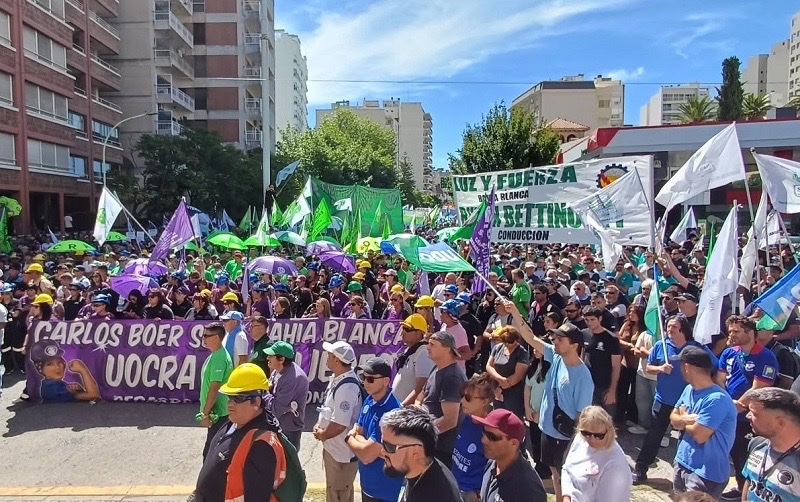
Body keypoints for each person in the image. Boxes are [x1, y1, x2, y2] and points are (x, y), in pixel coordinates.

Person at [505, 299, 593, 502]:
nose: (555, 342)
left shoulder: (583, 377)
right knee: (555, 473)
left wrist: (574, 445)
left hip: (564, 436)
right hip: (547, 429)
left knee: (567, 477)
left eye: (560, 339)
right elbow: (529, 337)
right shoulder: (555, 355)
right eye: (555, 338)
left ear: (574, 345)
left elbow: (582, 417)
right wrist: (516, 313)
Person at [193, 363, 288, 502]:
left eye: (237, 399)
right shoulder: (234, 421)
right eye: (230, 397)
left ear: (256, 401)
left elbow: (257, 497)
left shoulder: (262, 445)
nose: (230, 403)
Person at [632, 315, 706, 484]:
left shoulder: (695, 348)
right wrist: (660, 368)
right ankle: (641, 468)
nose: (668, 329)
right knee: (654, 436)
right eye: (667, 326)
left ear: (683, 329)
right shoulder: (661, 346)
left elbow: (712, 365)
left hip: (688, 404)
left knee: (688, 439)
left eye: (673, 326)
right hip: (663, 400)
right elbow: (649, 367)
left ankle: (686, 474)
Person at [716, 315, 779, 501]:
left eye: (736, 331)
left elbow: (759, 388)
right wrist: (728, 403)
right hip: (729, 414)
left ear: (750, 332)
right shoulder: (729, 353)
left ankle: (747, 492)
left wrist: (739, 406)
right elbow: (719, 379)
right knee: (732, 454)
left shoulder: (766, 357)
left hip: (749, 418)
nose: (731, 335)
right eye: (730, 331)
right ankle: (739, 486)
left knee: (745, 456)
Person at [671, 346, 737, 499]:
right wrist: (687, 419)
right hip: (682, 462)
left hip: (705, 473)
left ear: (687, 367)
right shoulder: (689, 389)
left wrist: (681, 419)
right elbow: (673, 419)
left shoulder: (716, 399)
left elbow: (700, 435)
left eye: (680, 365)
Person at [344, 357, 404, 502]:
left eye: (370, 379)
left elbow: (366, 455)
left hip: (385, 491)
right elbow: (358, 429)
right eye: (363, 377)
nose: (365, 382)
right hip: (368, 485)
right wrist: (364, 442)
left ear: (385, 381)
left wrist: (349, 438)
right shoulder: (369, 399)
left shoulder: (391, 412)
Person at [379, 406, 462, 502]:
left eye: (389, 447)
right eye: (382, 443)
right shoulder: (423, 470)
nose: (382, 452)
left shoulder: (435, 495)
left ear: (416, 451)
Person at [313, 340, 362, 502]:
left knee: (338, 494)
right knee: (336, 491)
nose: (327, 357)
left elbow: (340, 424)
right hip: (335, 450)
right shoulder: (339, 380)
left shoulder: (347, 387)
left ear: (337, 359)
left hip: (341, 453)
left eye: (330, 355)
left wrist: (323, 435)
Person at [416, 331, 467, 468]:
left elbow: (450, 421)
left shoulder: (452, 377)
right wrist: (417, 408)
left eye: (432, 344)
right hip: (431, 443)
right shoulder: (436, 368)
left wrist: (423, 433)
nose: (428, 347)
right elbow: (422, 394)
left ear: (446, 348)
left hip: (442, 449)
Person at [473, 408, 547, 502]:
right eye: (484, 432)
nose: (483, 440)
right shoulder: (493, 463)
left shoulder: (528, 490)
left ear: (513, 443)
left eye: (492, 436)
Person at [561, 406, 632, 502]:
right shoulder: (580, 439)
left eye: (598, 435)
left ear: (609, 431)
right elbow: (567, 469)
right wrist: (566, 496)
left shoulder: (615, 464)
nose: (592, 439)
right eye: (586, 433)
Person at [741, 387, 800, 501]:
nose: (747, 416)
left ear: (780, 423)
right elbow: (749, 482)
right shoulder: (757, 444)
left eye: (754, 413)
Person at [452, 374, 495, 502]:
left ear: (484, 401)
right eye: (462, 396)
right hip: (454, 487)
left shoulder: (490, 431)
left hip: (472, 495)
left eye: (468, 398)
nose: (462, 401)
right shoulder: (464, 418)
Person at [264, 340, 309, 451]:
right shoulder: (277, 370)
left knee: (287, 465)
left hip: (288, 430)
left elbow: (276, 408)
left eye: (271, 356)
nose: (267, 358)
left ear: (281, 359)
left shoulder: (292, 378)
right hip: (278, 425)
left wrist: (263, 392)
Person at [198, 322, 233, 459]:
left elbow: (214, 388)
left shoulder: (219, 357)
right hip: (218, 413)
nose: (203, 338)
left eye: (206, 335)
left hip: (218, 414)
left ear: (217, 338)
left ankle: (211, 480)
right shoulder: (217, 355)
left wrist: (204, 414)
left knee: (210, 454)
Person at [582, 306, 622, 418]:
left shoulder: (611, 338)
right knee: (590, 418)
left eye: (592, 319)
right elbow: (582, 356)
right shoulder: (583, 334)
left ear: (600, 319)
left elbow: (616, 366)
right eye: (587, 320)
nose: (589, 323)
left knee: (607, 419)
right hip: (588, 385)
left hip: (605, 385)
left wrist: (612, 390)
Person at [485, 325, 529, 420]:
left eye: (510, 342)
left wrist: (501, 387)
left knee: (513, 420)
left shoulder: (522, 353)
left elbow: (518, 376)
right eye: (504, 342)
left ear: (517, 340)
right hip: (496, 390)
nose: (507, 344)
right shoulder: (497, 348)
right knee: (497, 419)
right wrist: (499, 379)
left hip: (513, 393)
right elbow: (489, 366)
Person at [392, 313, 435, 406]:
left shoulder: (423, 353)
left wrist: (401, 407)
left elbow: (421, 388)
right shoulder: (410, 350)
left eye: (407, 329)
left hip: (406, 412)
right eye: (403, 328)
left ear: (419, 332)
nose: (403, 332)